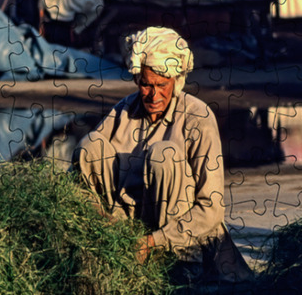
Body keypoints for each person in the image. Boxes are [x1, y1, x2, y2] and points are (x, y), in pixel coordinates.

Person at [75, 27, 226, 266]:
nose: (153, 95)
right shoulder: (124, 110)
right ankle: (102, 243)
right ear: (137, 80)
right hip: (128, 230)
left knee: (164, 155)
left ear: (176, 82)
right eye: (146, 85)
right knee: (89, 145)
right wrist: (102, 220)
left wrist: (154, 241)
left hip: (176, 239)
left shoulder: (199, 117)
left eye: (161, 85)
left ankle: (178, 265)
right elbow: (84, 165)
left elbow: (212, 209)